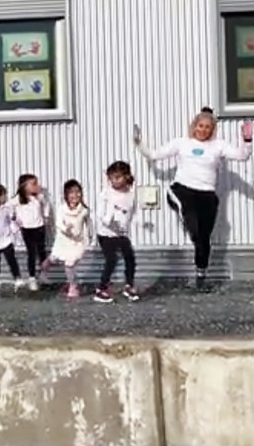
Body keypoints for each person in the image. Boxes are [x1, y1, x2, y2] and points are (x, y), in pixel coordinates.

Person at [134, 107, 253, 287]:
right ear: (194, 126)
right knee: (192, 223)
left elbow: (243, 156)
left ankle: (201, 274)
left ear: (212, 130)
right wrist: (139, 142)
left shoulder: (218, 146)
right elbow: (154, 155)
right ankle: (178, 203)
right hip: (184, 190)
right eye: (200, 126)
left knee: (202, 238)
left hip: (207, 194)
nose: (203, 130)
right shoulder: (182, 143)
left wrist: (247, 140)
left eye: (207, 127)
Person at [40, 179, 93, 300]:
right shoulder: (62, 209)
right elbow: (59, 223)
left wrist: (90, 238)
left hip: (77, 242)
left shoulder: (84, 210)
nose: (75, 195)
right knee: (54, 258)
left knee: (70, 264)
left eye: (78, 192)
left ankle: (73, 286)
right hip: (63, 240)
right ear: (66, 195)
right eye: (71, 192)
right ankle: (44, 267)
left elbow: (89, 226)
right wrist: (66, 229)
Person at [95, 161, 139, 303]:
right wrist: (110, 221)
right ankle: (101, 289)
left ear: (126, 177)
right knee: (112, 259)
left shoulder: (131, 194)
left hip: (121, 233)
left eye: (118, 177)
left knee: (129, 257)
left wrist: (135, 224)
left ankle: (129, 285)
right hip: (106, 233)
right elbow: (100, 214)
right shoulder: (106, 193)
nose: (114, 181)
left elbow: (132, 212)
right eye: (112, 178)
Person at [11, 173, 51, 292]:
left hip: (39, 227)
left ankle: (43, 275)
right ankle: (32, 278)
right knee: (32, 253)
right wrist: (15, 222)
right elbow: (8, 210)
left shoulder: (39, 197)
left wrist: (46, 217)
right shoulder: (17, 199)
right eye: (33, 184)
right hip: (27, 229)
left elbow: (47, 206)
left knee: (42, 251)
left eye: (36, 183)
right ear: (24, 186)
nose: (37, 186)